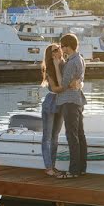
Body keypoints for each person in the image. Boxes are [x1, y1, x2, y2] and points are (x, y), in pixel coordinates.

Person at [58, 33, 88, 177]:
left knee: (72, 135)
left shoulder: (71, 63)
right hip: (78, 100)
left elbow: (64, 84)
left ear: (68, 46)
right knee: (80, 134)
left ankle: (73, 170)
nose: (62, 49)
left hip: (69, 101)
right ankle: (82, 168)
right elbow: (78, 81)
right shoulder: (81, 59)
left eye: (62, 46)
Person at [40, 44, 67, 178]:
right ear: (51, 55)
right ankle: (48, 167)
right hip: (51, 103)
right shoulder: (50, 69)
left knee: (55, 137)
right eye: (55, 50)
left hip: (61, 103)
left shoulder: (65, 65)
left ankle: (53, 166)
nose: (59, 50)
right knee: (47, 137)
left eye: (59, 48)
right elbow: (57, 89)